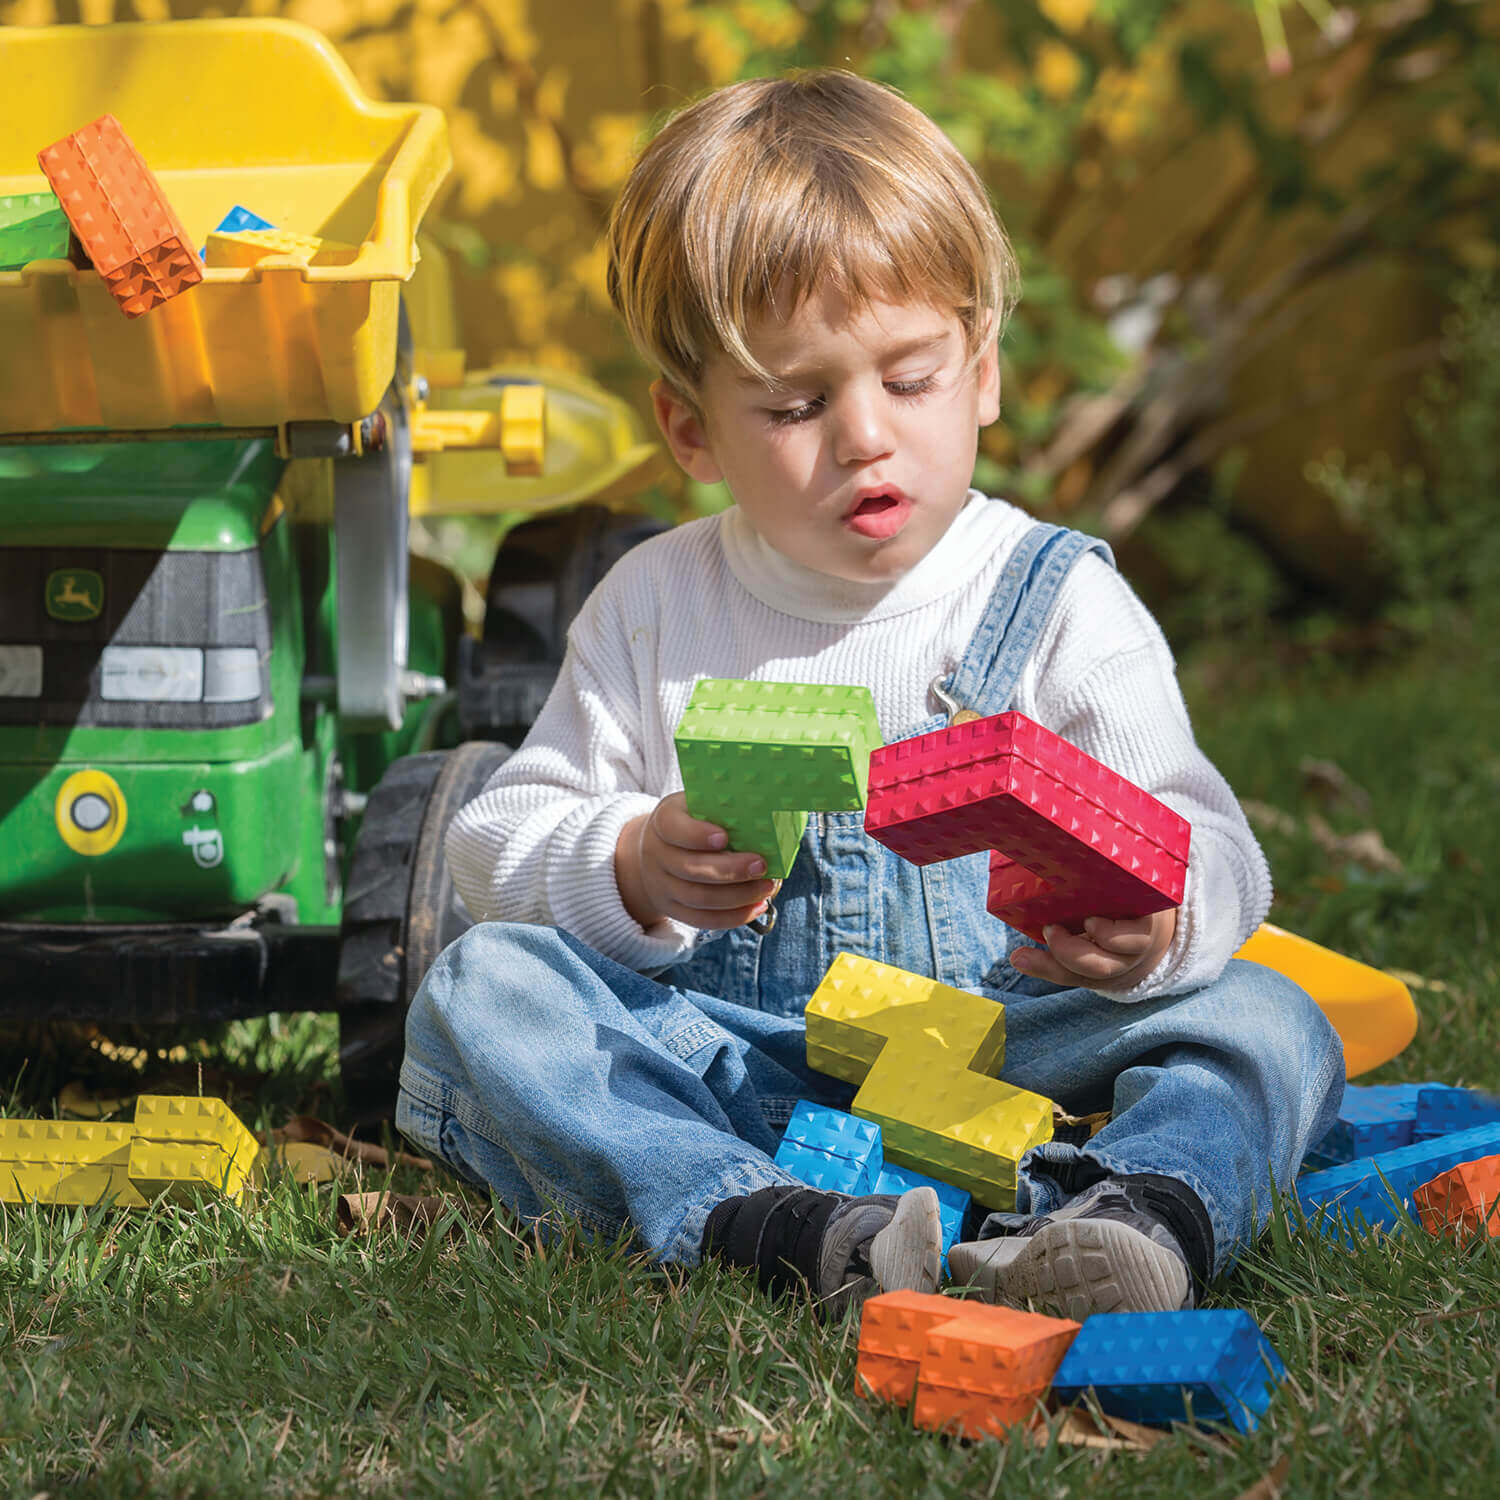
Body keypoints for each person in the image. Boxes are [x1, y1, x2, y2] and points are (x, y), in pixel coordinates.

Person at [395, 69, 1344, 1320]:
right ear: (690, 433)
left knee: (1267, 1018)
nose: (863, 438)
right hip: (739, 1061)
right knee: (485, 989)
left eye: (909, 380)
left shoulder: (1057, 601)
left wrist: (1157, 924)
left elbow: (1210, 840)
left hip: (1017, 1050)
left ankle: (1134, 1209)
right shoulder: (654, 602)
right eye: (794, 403)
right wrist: (630, 862)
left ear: (984, 372)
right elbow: (492, 840)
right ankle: (775, 1224)